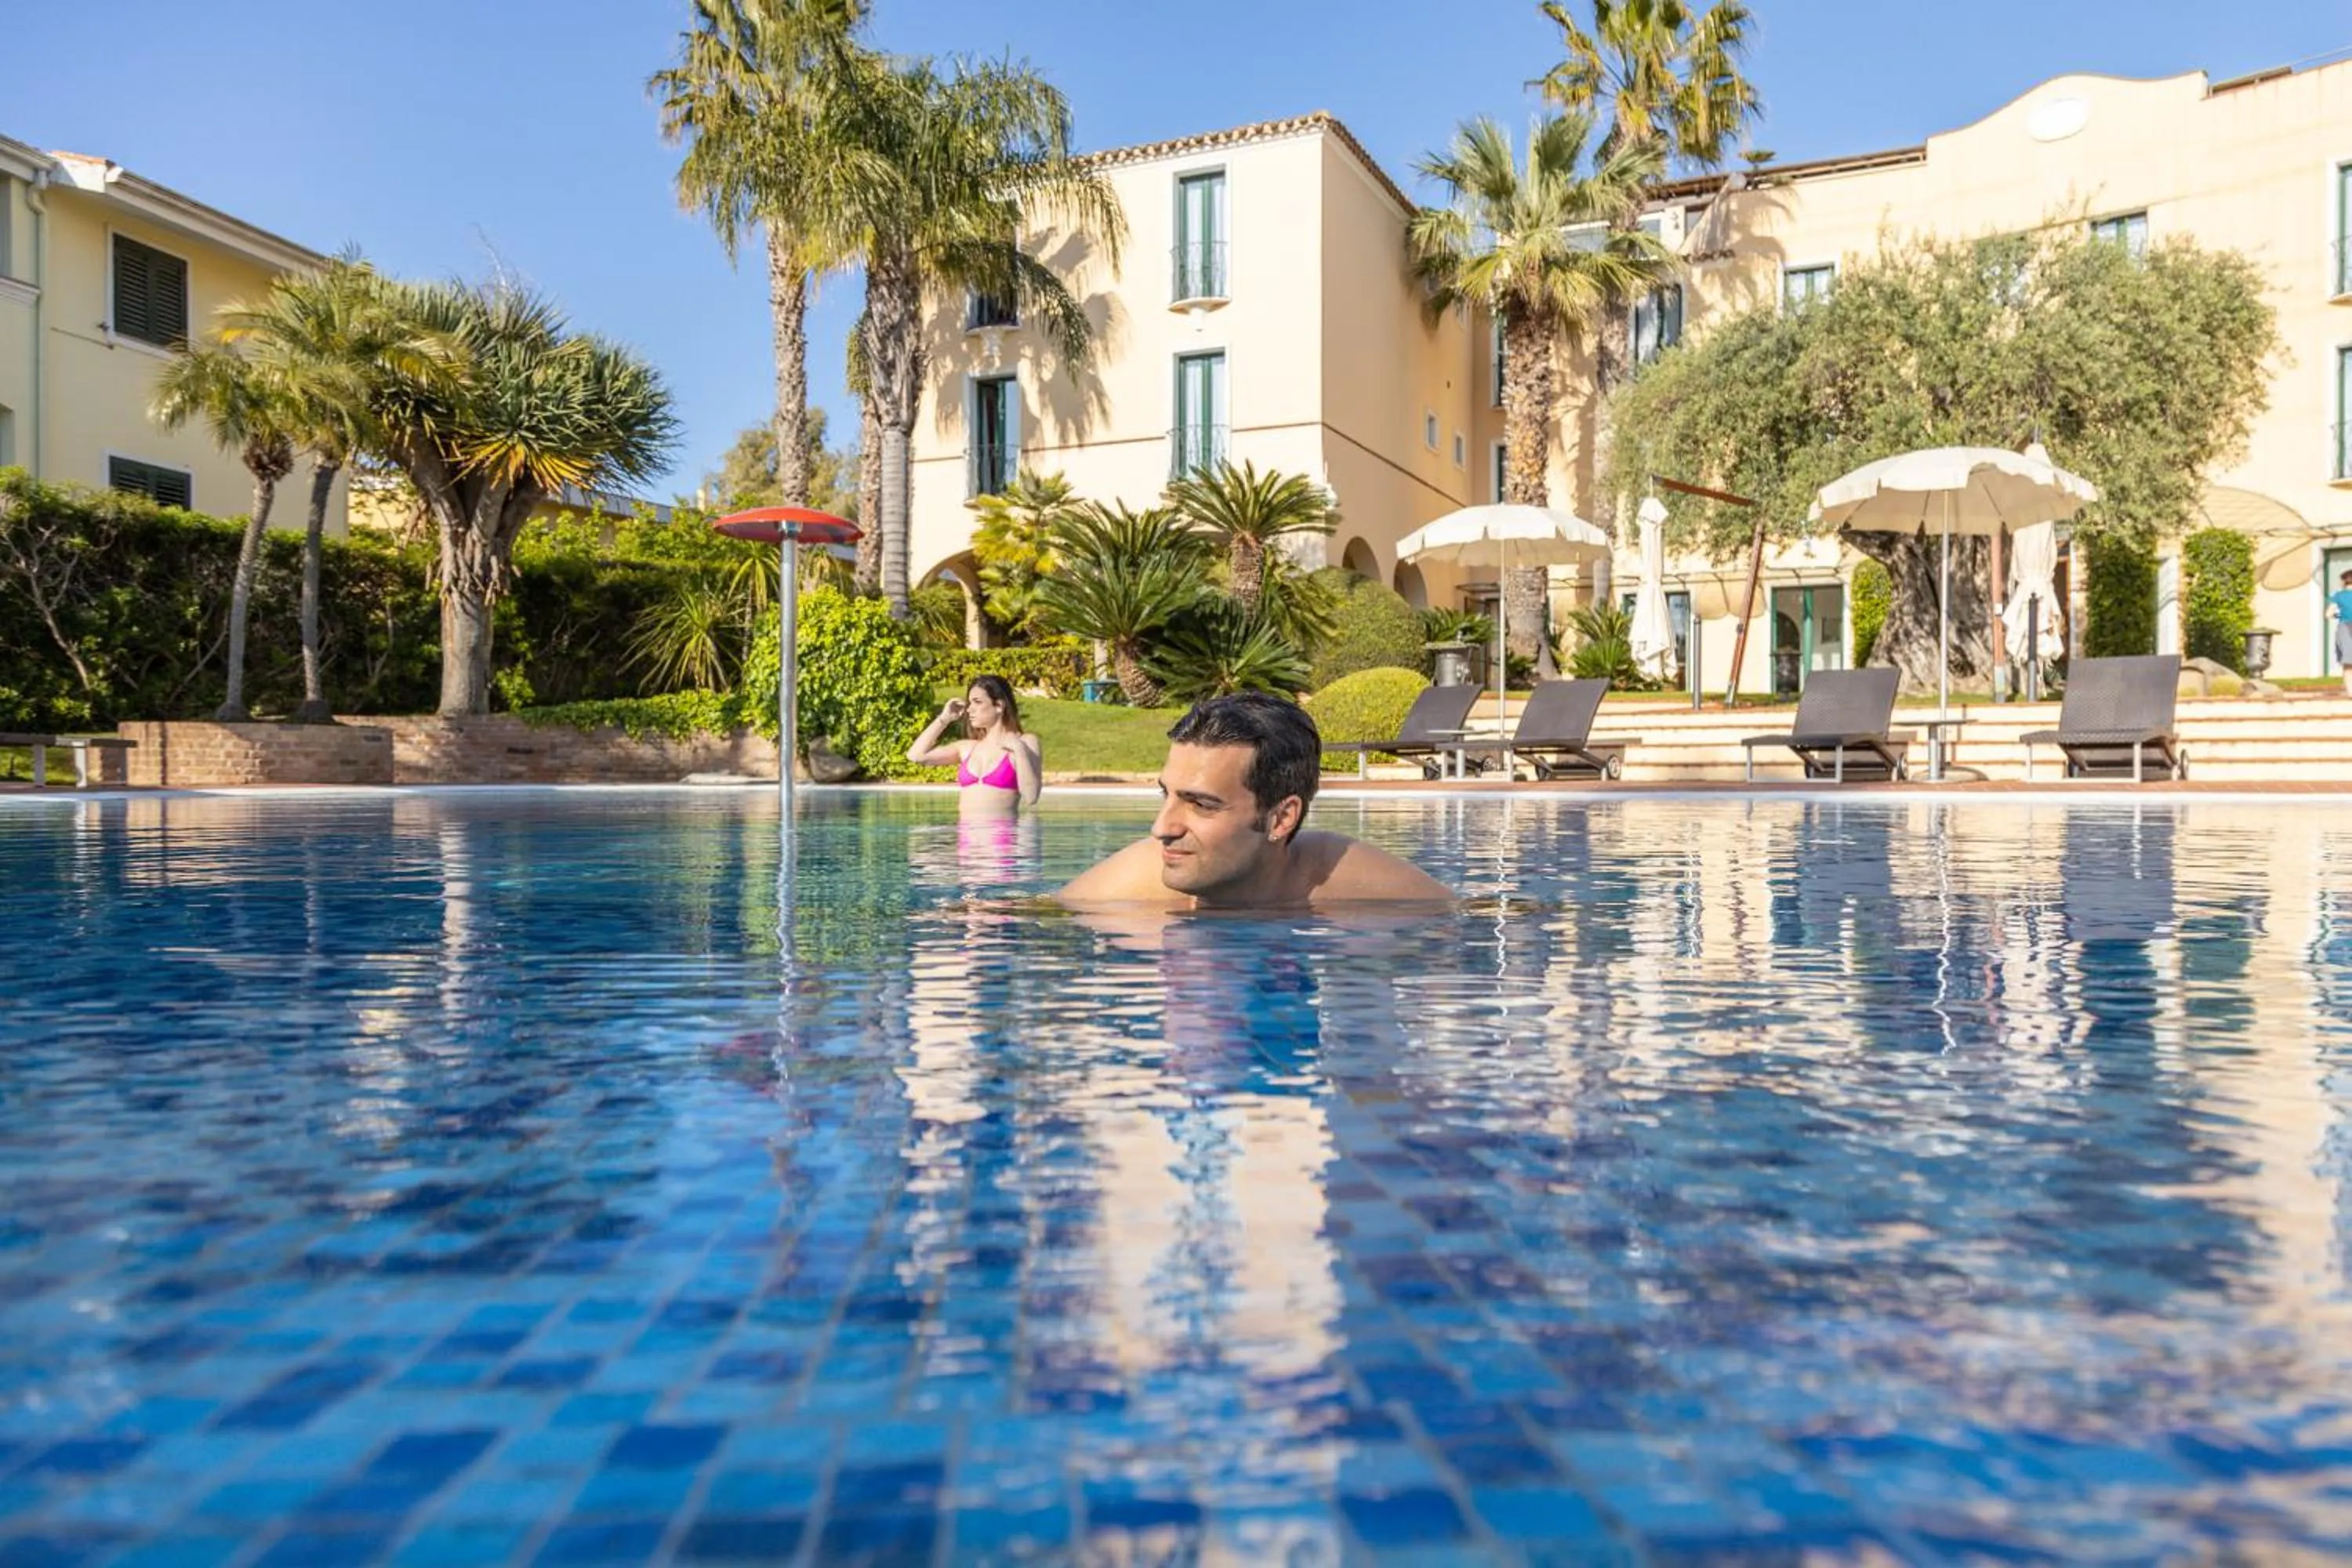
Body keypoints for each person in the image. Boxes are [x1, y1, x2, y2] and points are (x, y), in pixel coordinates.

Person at [1058, 691, 1452, 909]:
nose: (1162, 829)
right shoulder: (1121, 893)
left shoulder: (1353, 884)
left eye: (1201, 804)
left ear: (1281, 819)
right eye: (1168, 795)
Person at [908, 673, 1041, 816]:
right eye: (970, 703)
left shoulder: (1025, 742)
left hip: (1002, 835)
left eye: (977, 702)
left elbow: (1031, 797)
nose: (969, 709)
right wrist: (944, 719)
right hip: (966, 836)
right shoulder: (967, 748)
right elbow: (916, 755)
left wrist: (1019, 749)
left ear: (999, 706)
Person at [2332, 568, 2352, 698]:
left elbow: (2328, 614)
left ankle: (2351, 693)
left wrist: (2338, 616)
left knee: (2348, 663)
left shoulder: (2338, 596)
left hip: (2345, 627)